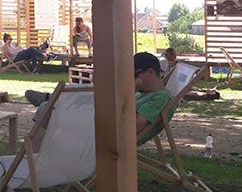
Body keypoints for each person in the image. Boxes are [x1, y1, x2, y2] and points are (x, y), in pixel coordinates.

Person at [25, 52, 173, 146]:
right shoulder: (144, 93)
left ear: (150, 72)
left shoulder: (160, 98)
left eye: (134, 75)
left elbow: (134, 126)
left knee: (47, 109)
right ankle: (55, 99)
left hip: (108, 133)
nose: (131, 79)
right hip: (103, 121)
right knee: (90, 91)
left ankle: (35, 162)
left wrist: (127, 93)